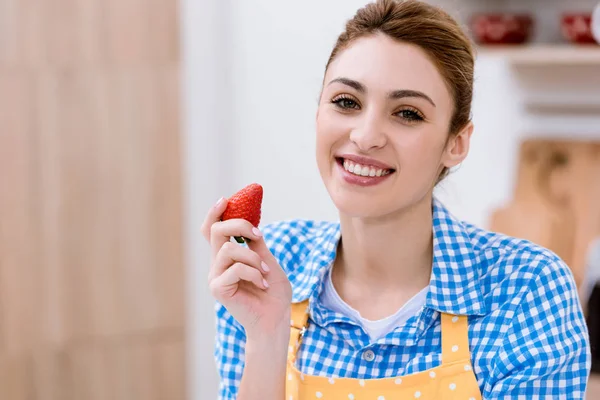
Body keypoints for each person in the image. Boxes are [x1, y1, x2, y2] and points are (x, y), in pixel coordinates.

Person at [201, 0, 592, 398]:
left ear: (455, 144)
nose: (366, 135)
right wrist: (266, 336)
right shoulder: (267, 269)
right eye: (346, 102)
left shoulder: (526, 290)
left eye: (407, 113)